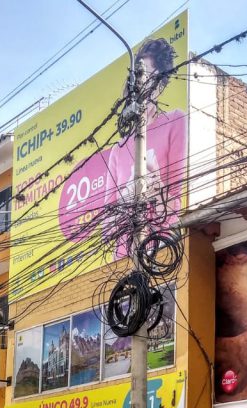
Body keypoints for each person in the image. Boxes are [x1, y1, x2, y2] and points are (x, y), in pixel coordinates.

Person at [103, 37, 188, 260]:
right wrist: (128, 196)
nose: (138, 84)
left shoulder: (175, 121)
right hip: (122, 260)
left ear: (160, 85)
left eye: (146, 76)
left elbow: (177, 204)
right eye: (135, 76)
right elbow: (107, 226)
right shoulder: (118, 149)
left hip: (162, 254)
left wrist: (155, 186)